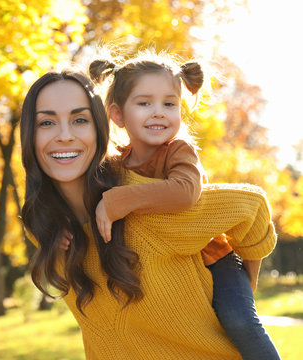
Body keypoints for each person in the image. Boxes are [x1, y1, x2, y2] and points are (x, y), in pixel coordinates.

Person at [20, 67, 277, 359]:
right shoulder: (42, 225)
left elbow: (252, 207)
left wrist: (245, 287)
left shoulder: (147, 200)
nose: (64, 136)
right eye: (46, 123)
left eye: (80, 120)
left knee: (242, 321)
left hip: (219, 271)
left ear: (100, 128)